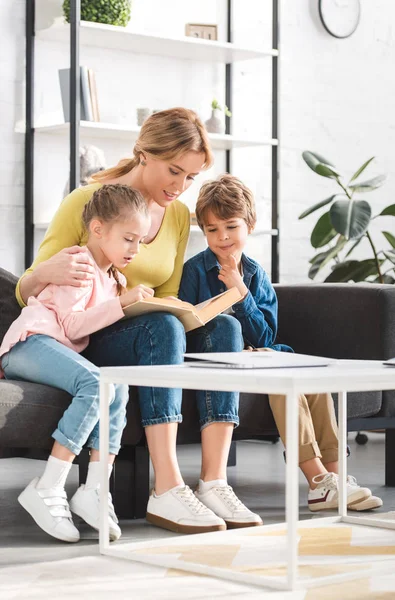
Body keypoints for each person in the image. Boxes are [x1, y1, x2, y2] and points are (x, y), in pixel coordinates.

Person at [14, 108, 261, 535]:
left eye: (190, 177)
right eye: (174, 171)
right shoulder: (88, 201)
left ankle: (215, 482)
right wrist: (43, 274)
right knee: (161, 327)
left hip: (145, 322)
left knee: (227, 329)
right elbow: (28, 289)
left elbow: (169, 291)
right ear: (144, 153)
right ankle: (166, 486)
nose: (180, 186)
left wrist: (182, 308)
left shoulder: (180, 215)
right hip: (89, 331)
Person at [179, 173, 383, 512]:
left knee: (303, 373)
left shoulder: (255, 275)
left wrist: (241, 291)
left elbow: (265, 337)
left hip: (258, 357)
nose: (222, 237)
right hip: (219, 363)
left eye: (230, 226)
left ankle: (336, 476)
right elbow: (188, 326)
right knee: (279, 374)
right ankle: (317, 481)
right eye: (212, 230)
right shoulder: (194, 272)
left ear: (250, 223)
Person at [0, 184, 153, 542]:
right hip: (29, 344)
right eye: (128, 239)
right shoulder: (79, 264)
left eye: (140, 241)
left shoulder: (113, 277)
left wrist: (129, 301)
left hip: (57, 350)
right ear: (98, 229)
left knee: (117, 386)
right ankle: (49, 485)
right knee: (96, 384)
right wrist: (122, 304)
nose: (135, 249)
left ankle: (95, 489)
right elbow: (71, 325)